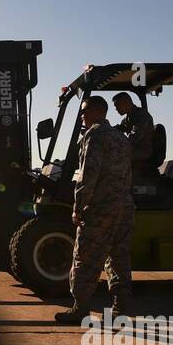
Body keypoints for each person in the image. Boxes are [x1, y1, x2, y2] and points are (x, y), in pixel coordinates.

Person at [55, 96, 135, 323]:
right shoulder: (121, 138)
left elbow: (88, 175)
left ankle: (79, 309)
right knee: (119, 257)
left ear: (96, 111)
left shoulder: (95, 135)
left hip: (101, 208)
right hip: (124, 207)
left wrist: (78, 207)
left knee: (85, 258)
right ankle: (122, 308)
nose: (82, 116)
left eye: (84, 112)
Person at [113, 92, 156, 177]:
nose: (116, 109)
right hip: (133, 149)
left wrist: (117, 142)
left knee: (112, 156)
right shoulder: (128, 118)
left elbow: (134, 138)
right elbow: (119, 129)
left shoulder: (142, 116)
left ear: (126, 102)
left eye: (117, 105)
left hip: (142, 151)